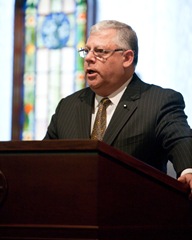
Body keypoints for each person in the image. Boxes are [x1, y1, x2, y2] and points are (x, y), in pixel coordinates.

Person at [44, 20, 192, 192]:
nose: (89, 58)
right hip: (72, 210)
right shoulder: (67, 106)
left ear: (127, 58)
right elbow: (43, 161)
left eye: (100, 52)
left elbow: (181, 140)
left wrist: (188, 170)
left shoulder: (159, 102)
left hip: (133, 210)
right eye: (87, 51)